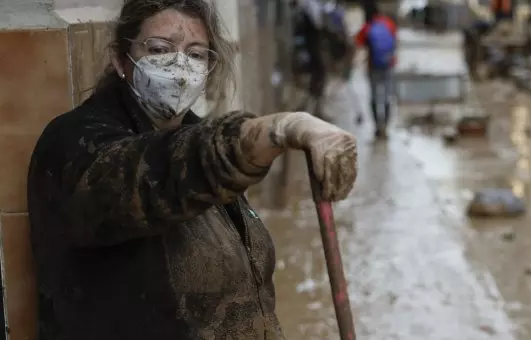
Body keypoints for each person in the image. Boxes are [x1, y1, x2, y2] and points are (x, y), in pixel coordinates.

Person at [27, 0, 357, 339]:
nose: (179, 66)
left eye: (196, 54)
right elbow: (143, 177)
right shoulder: (73, 144)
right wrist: (276, 131)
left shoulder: (197, 137)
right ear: (120, 59)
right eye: (159, 49)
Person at [355, 1, 397, 138]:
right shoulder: (389, 23)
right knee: (386, 95)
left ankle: (377, 127)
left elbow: (357, 42)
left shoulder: (367, 27)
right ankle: (385, 126)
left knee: (374, 95)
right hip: (388, 64)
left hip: (373, 66)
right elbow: (395, 42)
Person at [290, 0, 328, 119]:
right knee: (312, 81)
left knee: (317, 80)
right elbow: (300, 34)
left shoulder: (308, 9)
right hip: (309, 52)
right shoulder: (304, 11)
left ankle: (313, 110)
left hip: (311, 51)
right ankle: (308, 111)